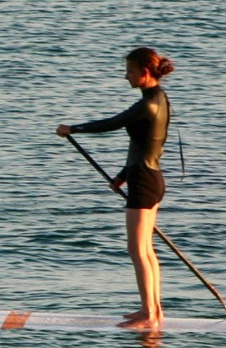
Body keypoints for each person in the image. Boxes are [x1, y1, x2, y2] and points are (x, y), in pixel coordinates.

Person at [56, 47, 174, 329]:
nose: (126, 77)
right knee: (145, 249)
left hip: (145, 182)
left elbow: (113, 123)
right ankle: (153, 311)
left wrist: (74, 129)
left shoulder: (147, 104)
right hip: (148, 177)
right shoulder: (158, 99)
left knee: (138, 250)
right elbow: (145, 145)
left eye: (130, 72)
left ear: (145, 73)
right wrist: (122, 175)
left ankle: (149, 314)